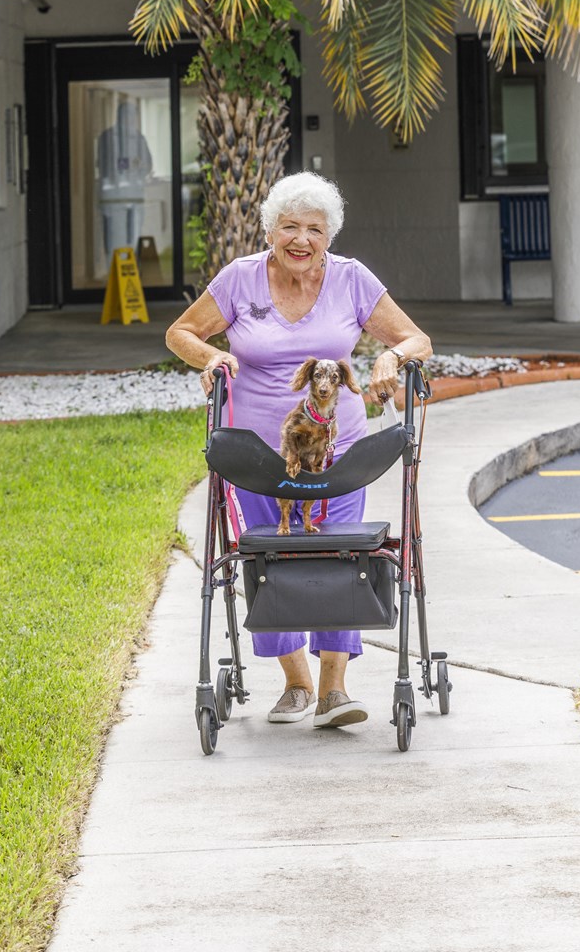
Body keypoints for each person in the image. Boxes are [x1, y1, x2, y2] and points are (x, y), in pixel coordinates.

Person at [165, 172, 432, 728]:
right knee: (267, 555)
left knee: (340, 555)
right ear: (270, 230)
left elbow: (416, 339)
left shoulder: (351, 280)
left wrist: (390, 359)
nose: (301, 239)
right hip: (258, 454)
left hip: (339, 453)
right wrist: (211, 360)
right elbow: (181, 333)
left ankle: (335, 689)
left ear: (328, 236)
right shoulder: (240, 280)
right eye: (289, 226)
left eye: (314, 228)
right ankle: (295, 684)